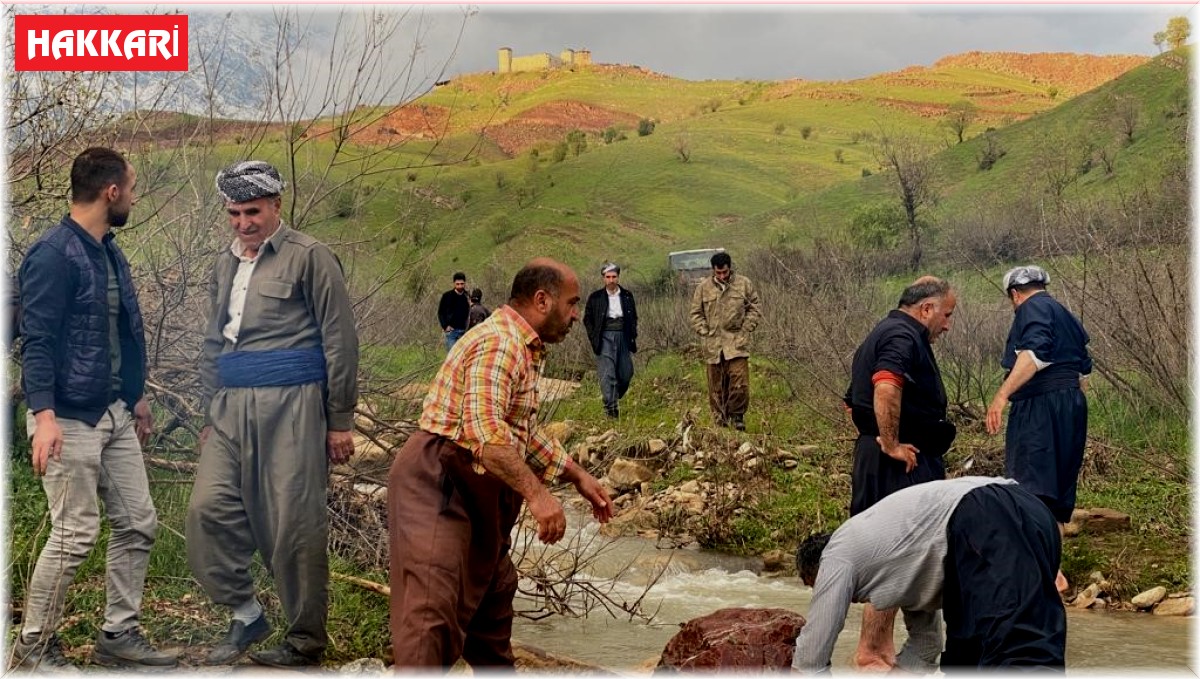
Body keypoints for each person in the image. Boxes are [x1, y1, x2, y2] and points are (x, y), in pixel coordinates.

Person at [388, 258, 613, 669]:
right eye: (572, 303)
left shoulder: (522, 346)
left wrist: (575, 474)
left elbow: (517, 430)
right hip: (440, 482)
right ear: (542, 300)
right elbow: (487, 435)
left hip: (475, 484)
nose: (576, 315)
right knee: (431, 610)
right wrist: (539, 496)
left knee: (492, 602)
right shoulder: (500, 344)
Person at [186, 160, 359, 668]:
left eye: (253, 212)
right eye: (234, 213)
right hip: (230, 406)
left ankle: (305, 641)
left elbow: (340, 340)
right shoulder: (224, 263)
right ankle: (245, 613)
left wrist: (340, 419)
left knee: (294, 525)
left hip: (293, 404)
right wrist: (209, 412)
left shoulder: (311, 256)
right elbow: (213, 340)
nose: (243, 223)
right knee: (206, 510)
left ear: (276, 205)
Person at [11, 147, 177, 670]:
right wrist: (43, 418)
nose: (133, 197)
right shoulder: (52, 254)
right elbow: (36, 341)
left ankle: (118, 634)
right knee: (74, 533)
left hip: (113, 412)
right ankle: (33, 647)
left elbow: (122, 330)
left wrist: (137, 395)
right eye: (131, 187)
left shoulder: (108, 251)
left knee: (138, 522)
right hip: (66, 417)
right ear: (111, 192)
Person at [792, 476, 1066, 673]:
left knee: (1021, 652)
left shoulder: (836, 552)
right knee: (965, 658)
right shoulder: (897, 567)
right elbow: (926, 647)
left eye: (817, 585)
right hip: (1018, 515)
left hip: (990, 513)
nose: (848, 600)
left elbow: (810, 660)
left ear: (819, 569)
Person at [842, 275, 957, 670]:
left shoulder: (884, 331)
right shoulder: (902, 336)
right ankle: (874, 651)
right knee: (895, 552)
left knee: (889, 551)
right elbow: (886, 387)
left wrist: (875, 437)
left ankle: (879, 648)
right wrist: (890, 443)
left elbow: (851, 403)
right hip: (899, 461)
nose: (947, 325)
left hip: (882, 457)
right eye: (946, 315)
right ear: (926, 309)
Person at [986, 265, 1092, 594]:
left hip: (1039, 408)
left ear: (1015, 295)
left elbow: (1034, 354)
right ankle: (1053, 569)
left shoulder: (1031, 308)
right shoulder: (1066, 315)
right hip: (1071, 405)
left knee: (1030, 489)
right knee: (1055, 495)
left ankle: (1041, 573)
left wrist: (1002, 396)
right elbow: (1083, 373)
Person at [688, 252, 761, 431]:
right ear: (713, 270)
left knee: (739, 381)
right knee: (716, 385)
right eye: (718, 273)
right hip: (713, 345)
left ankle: (737, 417)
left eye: (725, 272)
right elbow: (695, 313)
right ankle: (720, 420)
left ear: (730, 268)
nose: (722, 276)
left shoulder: (743, 284)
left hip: (736, 342)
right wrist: (703, 330)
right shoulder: (703, 288)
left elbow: (754, 307)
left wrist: (746, 328)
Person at [583, 262, 639, 418]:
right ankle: (611, 408)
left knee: (626, 373)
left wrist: (633, 333)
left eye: (614, 277)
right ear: (603, 278)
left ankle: (613, 396)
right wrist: (594, 337)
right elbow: (587, 319)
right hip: (604, 336)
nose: (611, 280)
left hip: (623, 335)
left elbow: (633, 316)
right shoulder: (595, 297)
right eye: (608, 277)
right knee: (608, 374)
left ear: (618, 277)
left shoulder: (627, 295)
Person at [438, 271, 471, 350]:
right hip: (452, 332)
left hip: (465, 332)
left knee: (464, 355)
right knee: (452, 355)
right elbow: (440, 312)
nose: (460, 286)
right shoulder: (447, 296)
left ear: (465, 283)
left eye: (462, 284)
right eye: (457, 284)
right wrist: (445, 326)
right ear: (454, 284)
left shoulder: (468, 296)